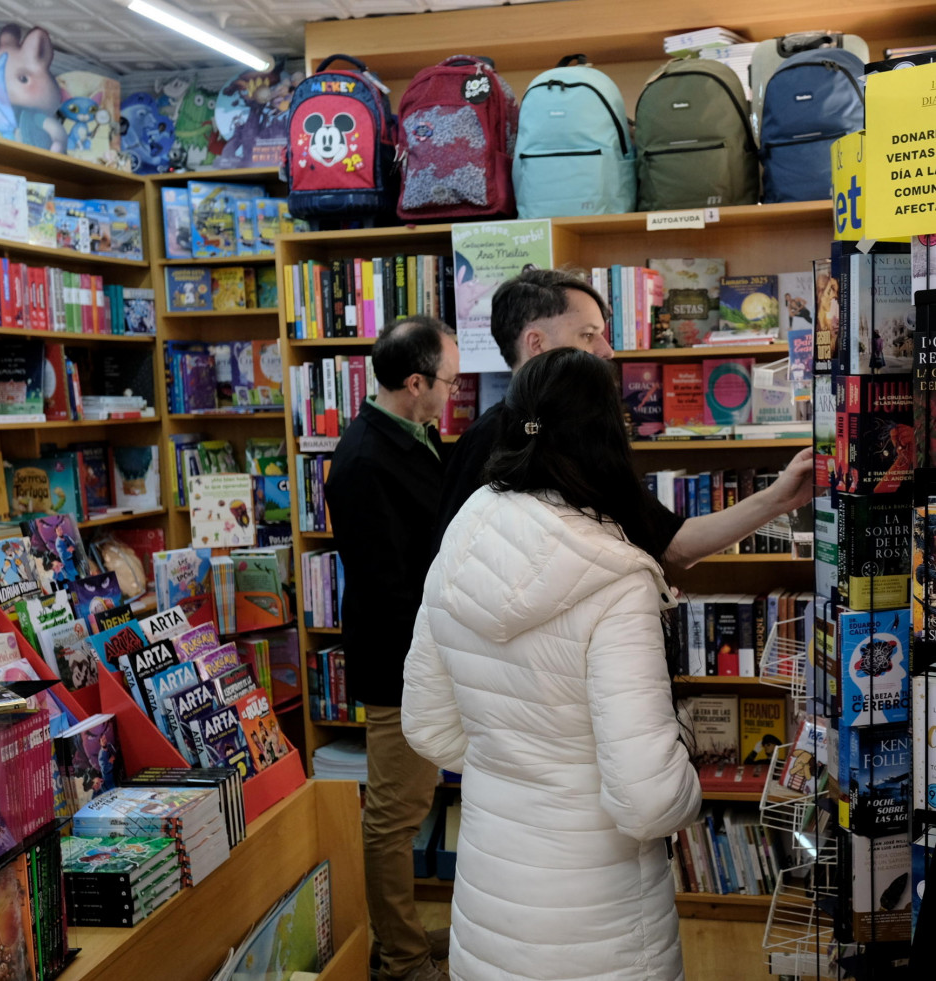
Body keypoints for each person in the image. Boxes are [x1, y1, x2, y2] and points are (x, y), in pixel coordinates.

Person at [401, 348, 703, 981]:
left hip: (490, 890)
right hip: (601, 917)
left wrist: (509, 754)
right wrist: (687, 775)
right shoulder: (616, 576)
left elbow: (428, 728)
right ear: (607, 435)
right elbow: (649, 799)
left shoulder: (463, 536)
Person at [435, 267, 814, 564]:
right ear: (536, 343)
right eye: (588, 335)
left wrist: (780, 499)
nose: (607, 351)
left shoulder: (589, 435)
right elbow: (456, 564)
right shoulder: (484, 441)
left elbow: (673, 543)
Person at [324, 316, 460, 981]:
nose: (452, 394)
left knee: (411, 801)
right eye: (448, 382)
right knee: (393, 815)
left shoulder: (411, 434)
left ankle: (403, 935)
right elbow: (388, 586)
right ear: (415, 382)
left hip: (431, 658)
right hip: (404, 664)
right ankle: (400, 956)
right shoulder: (362, 460)